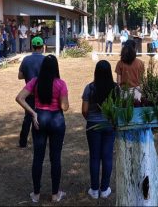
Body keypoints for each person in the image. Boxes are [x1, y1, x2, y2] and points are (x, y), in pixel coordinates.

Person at [15, 55, 69, 203]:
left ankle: (36, 194)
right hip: (56, 120)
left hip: (40, 119)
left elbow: (19, 98)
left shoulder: (35, 82)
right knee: (55, 157)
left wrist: (33, 112)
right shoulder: (61, 83)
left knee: (38, 158)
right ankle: (55, 194)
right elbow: (65, 106)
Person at [82, 60, 118, 199]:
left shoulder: (89, 88)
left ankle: (94, 189)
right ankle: (104, 189)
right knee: (107, 156)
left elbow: (84, 110)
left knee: (95, 157)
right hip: (109, 126)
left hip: (93, 125)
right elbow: (119, 109)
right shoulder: (116, 88)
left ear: (96, 72)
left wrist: (90, 119)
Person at [17, 37, 45, 148]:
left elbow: (20, 76)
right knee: (42, 115)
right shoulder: (46, 59)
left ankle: (22, 142)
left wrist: (28, 75)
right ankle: (40, 140)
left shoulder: (26, 59)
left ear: (32, 47)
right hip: (43, 93)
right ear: (42, 46)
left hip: (29, 93)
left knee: (28, 117)